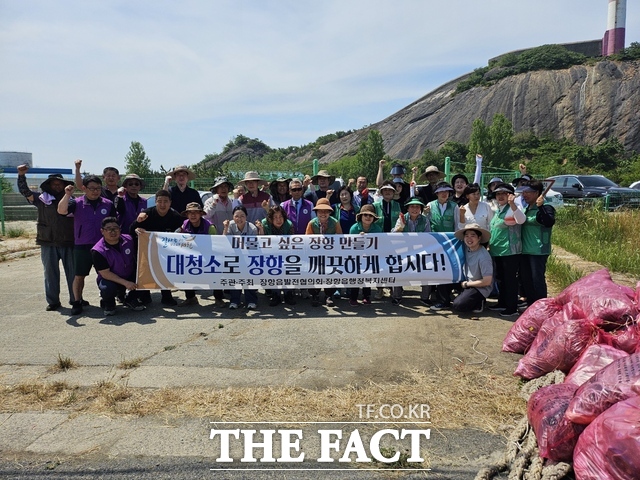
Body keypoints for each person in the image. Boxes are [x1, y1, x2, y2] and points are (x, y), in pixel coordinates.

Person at [17, 166, 75, 311]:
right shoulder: (41, 199)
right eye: (54, 183)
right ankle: (53, 301)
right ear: (48, 185)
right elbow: (25, 192)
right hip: (47, 241)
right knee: (50, 273)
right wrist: (21, 175)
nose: (57, 186)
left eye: (59, 183)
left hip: (68, 241)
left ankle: (76, 300)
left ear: (64, 185)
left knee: (73, 273)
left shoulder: (71, 199)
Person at [58, 175, 117, 316]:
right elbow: (61, 211)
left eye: (98, 188)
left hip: (103, 246)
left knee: (106, 275)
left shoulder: (108, 204)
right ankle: (77, 302)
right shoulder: (76, 203)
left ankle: (107, 300)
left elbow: (114, 223)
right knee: (79, 276)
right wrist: (67, 195)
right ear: (84, 188)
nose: (95, 191)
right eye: (91, 188)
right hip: (82, 245)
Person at [130, 190, 185, 306]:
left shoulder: (176, 216)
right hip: (147, 249)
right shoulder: (146, 214)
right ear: (155, 202)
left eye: (165, 201)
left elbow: (183, 233)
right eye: (160, 201)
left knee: (165, 271)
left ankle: (166, 296)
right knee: (144, 270)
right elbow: (131, 230)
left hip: (166, 250)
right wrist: (137, 225)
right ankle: (144, 295)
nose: (163, 204)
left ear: (170, 202)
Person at [91, 217, 145, 316]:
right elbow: (105, 273)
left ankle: (131, 299)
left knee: (144, 277)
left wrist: (141, 232)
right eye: (108, 229)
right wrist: (126, 283)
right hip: (110, 278)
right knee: (107, 288)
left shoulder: (129, 240)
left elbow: (144, 244)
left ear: (120, 229)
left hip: (128, 273)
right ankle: (109, 303)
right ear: (102, 231)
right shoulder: (98, 251)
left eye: (115, 228)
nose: (113, 231)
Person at [488, 183, 526, 317]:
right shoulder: (499, 209)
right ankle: (502, 303)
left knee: (510, 280)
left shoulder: (514, 208)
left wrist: (513, 204)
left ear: (510, 195)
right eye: (498, 194)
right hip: (497, 250)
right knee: (501, 279)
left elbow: (521, 220)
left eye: (504, 193)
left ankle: (511, 307)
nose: (500, 196)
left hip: (510, 251)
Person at [520, 180, 556, 306]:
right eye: (523, 192)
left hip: (538, 251)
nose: (525, 195)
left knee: (537, 280)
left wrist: (540, 207)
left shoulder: (546, 208)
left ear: (537, 193)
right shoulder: (526, 209)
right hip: (524, 250)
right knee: (526, 280)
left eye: (528, 192)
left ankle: (541, 305)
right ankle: (531, 304)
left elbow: (549, 222)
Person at [174, 202, 217, 307]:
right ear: (187, 215)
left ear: (201, 214)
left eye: (196, 212)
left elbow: (216, 244)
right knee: (183, 270)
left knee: (216, 272)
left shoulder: (210, 226)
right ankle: (190, 297)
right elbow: (175, 236)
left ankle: (219, 298)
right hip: (191, 257)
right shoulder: (184, 225)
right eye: (190, 213)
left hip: (208, 256)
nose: (193, 215)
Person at [391, 197, 432, 306]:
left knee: (427, 271)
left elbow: (428, 236)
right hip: (403, 250)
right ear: (408, 208)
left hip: (420, 250)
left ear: (421, 209)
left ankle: (425, 297)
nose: (415, 209)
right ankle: (397, 296)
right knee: (398, 271)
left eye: (417, 207)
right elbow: (394, 234)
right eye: (412, 207)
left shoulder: (425, 220)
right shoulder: (401, 218)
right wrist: (400, 228)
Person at [427, 182, 460, 311]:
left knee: (447, 271)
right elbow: (427, 224)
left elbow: (457, 225)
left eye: (446, 191)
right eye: (441, 191)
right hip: (434, 244)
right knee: (436, 271)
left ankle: (444, 299)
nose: (444, 193)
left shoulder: (454, 206)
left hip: (450, 244)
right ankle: (439, 298)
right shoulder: (430, 205)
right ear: (436, 193)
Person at [256, 206, 296, 307]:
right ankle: (276, 294)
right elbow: (261, 241)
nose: (278, 220)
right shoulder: (264, 223)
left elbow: (291, 243)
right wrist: (260, 229)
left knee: (288, 271)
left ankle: (288, 294)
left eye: (280, 217)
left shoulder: (289, 224)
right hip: (270, 254)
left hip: (286, 253)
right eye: (275, 217)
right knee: (273, 271)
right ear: (270, 218)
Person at [306, 198, 342, 307]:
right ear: (316, 212)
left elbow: (340, 238)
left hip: (331, 254)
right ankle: (315, 295)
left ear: (330, 212)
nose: (323, 214)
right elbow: (307, 240)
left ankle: (329, 295)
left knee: (330, 273)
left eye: (326, 211)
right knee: (314, 274)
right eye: (320, 211)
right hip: (315, 255)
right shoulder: (312, 223)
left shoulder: (335, 222)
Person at [451, 224, 493, 314]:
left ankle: (479, 302)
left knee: (458, 305)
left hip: (479, 287)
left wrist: (467, 284)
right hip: (466, 281)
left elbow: (487, 281)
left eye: (473, 236)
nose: (469, 239)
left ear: (479, 238)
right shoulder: (465, 248)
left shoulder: (483, 257)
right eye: (466, 236)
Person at [223, 205, 259, 310]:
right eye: (236, 216)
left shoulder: (252, 227)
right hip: (234, 257)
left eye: (242, 216)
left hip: (249, 256)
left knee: (249, 278)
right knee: (235, 279)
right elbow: (224, 242)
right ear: (233, 217)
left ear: (246, 217)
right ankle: (235, 301)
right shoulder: (230, 225)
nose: (239, 219)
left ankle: (251, 301)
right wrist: (225, 228)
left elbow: (254, 246)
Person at [347, 204, 382, 306]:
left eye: (370, 216)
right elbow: (351, 244)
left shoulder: (377, 229)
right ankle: (353, 298)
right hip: (356, 257)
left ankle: (366, 297)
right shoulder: (354, 228)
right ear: (360, 217)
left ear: (374, 218)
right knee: (356, 277)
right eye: (365, 215)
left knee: (368, 277)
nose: (367, 217)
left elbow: (380, 244)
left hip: (371, 256)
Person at [373, 181, 402, 299]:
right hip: (379, 239)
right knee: (379, 264)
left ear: (393, 192)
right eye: (385, 190)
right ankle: (379, 289)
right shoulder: (375, 205)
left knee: (391, 263)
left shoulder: (398, 205)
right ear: (381, 192)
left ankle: (391, 287)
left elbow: (400, 221)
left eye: (390, 190)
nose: (387, 192)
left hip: (393, 239)